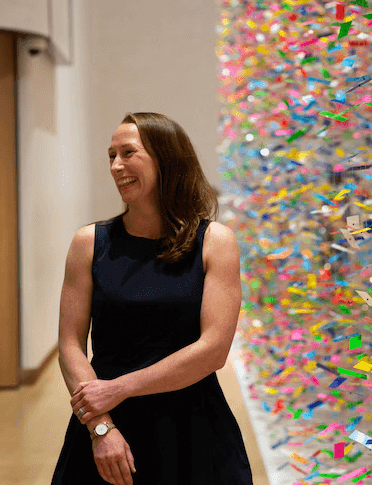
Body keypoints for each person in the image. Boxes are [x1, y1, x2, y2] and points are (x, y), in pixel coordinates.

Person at [51, 112, 254, 485]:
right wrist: (100, 427)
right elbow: (69, 344)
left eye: (128, 153)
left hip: (192, 425)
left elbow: (214, 350)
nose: (115, 166)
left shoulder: (215, 242)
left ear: (166, 159)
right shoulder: (88, 242)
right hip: (108, 425)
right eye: (111, 155)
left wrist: (118, 388)